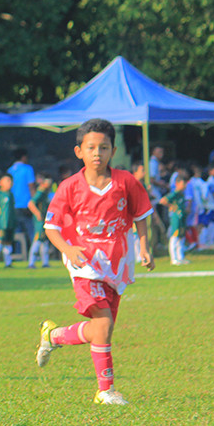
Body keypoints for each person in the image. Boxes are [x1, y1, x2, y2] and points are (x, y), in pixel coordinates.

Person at [36, 118, 154, 406]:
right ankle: (106, 391)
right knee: (104, 321)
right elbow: (50, 226)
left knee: (103, 328)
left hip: (116, 263)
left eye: (104, 147)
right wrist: (68, 249)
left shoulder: (126, 182)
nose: (97, 153)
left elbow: (141, 217)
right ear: (79, 151)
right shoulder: (69, 187)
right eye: (91, 148)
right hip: (84, 263)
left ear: (113, 150)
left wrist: (144, 247)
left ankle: (55, 335)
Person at [7, 148, 36, 257]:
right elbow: (31, 186)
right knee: (31, 230)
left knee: (18, 232)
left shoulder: (10, 170)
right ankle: (34, 253)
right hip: (27, 204)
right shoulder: (28, 169)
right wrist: (35, 201)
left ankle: (19, 254)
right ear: (23, 157)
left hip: (14, 205)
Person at [27, 174, 54, 268]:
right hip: (40, 221)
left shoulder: (46, 193)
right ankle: (31, 262)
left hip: (45, 219)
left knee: (44, 240)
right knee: (37, 239)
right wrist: (38, 214)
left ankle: (45, 262)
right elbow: (31, 203)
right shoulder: (40, 192)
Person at [160, 175, 188, 265]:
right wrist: (171, 206)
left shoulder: (182, 194)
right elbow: (163, 200)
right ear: (177, 184)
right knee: (174, 237)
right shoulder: (174, 193)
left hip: (181, 218)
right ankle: (174, 258)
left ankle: (180, 257)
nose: (185, 186)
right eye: (183, 184)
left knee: (181, 237)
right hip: (175, 218)